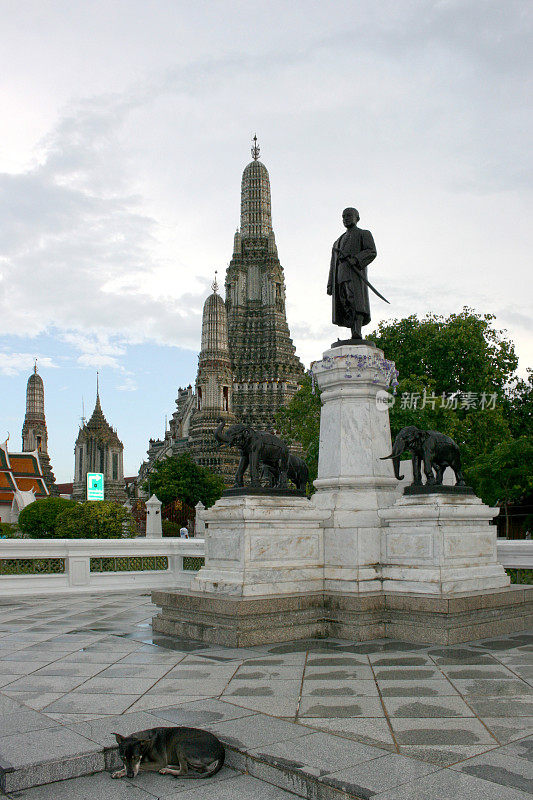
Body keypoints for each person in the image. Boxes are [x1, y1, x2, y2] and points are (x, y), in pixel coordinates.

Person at [327, 207, 377, 340]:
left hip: (354, 273)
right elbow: (333, 265)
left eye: (349, 216)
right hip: (340, 275)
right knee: (344, 302)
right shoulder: (337, 242)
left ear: (357, 218)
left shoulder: (364, 234)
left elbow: (371, 251)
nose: (346, 218)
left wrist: (356, 259)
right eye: (343, 216)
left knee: (355, 300)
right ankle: (352, 331)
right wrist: (330, 284)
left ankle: (357, 331)